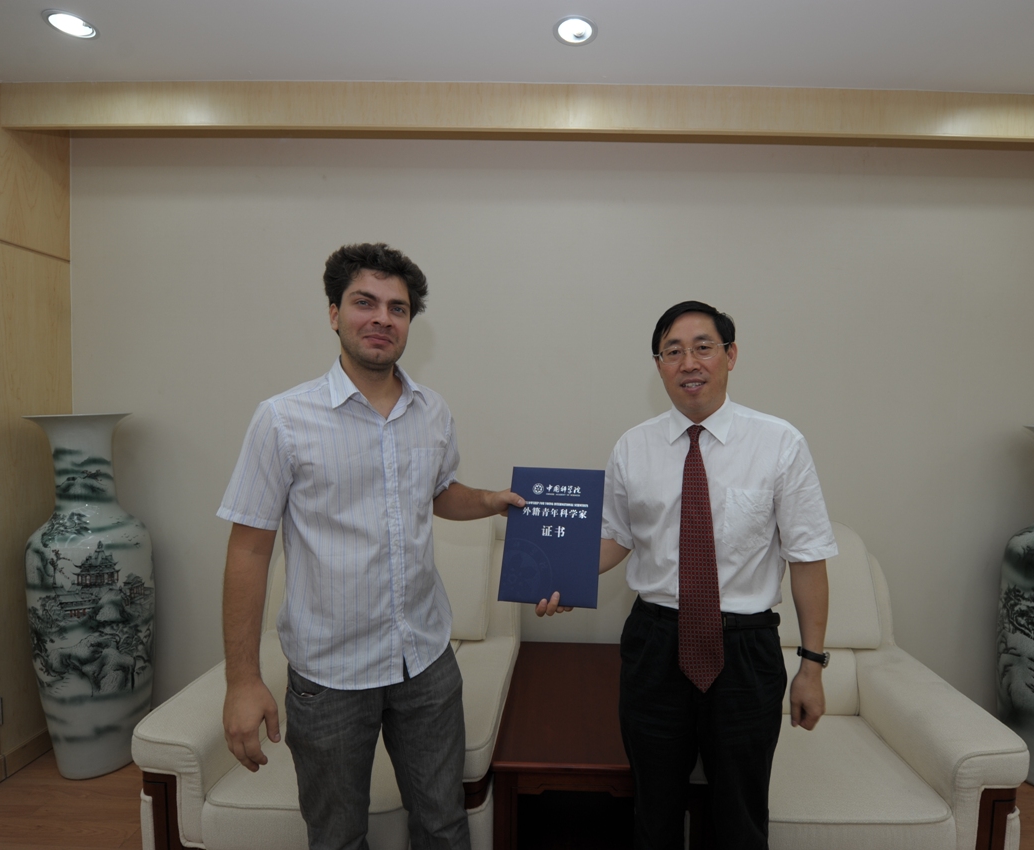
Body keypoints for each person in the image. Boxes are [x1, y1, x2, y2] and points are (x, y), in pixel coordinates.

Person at [218, 242, 524, 850]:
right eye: (365, 302)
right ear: (334, 313)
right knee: (337, 837)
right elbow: (248, 551)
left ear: (410, 322)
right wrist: (242, 680)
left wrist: (489, 499)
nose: (382, 318)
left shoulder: (431, 411)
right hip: (330, 676)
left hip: (426, 662)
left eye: (397, 308)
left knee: (443, 826)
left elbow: (438, 493)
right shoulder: (282, 419)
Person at [538, 300, 837, 850]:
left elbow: (808, 557)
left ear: (731, 355)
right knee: (653, 812)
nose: (689, 362)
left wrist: (812, 667)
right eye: (672, 351)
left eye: (703, 347)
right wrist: (560, 576)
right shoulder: (633, 446)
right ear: (658, 366)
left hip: (745, 651)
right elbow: (617, 538)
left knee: (741, 817)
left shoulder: (779, 443)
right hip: (655, 646)